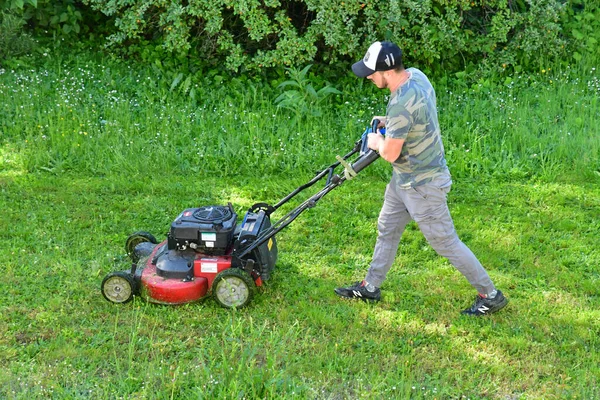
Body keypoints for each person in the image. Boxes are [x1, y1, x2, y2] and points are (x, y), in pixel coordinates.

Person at [334, 41, 508, 316]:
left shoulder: (400, 104)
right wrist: (388, 122)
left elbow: (390, 153)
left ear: (387, 71)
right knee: (387, 228)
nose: (368, 77)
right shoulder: (417, 77)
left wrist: (377, 140)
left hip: (423, 186)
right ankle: (370, 287)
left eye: (371, 72)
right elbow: (418, 114)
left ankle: (491, 295)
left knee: (445, 242)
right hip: (404, 179)